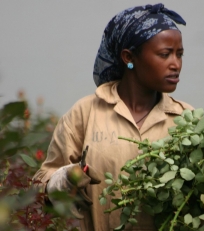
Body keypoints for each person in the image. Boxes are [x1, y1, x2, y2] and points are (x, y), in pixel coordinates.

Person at [33, 3, 192, 231]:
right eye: (165, 54)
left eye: (180, 54)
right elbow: (41, 182)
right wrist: (64, 179)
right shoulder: (86, 113)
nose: (176, 64)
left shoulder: (187, 119)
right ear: (129, 57)